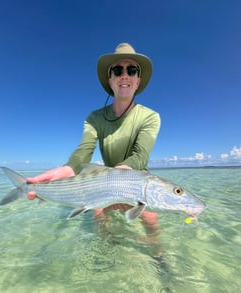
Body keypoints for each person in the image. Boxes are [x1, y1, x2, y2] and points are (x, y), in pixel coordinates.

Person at [27, 43, 161, 255]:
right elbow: (84, 150)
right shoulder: (94, 118)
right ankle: (104, 255)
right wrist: (69, 169)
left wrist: (123, 177)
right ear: (110, 80)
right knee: (97, 216)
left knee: (151, 219)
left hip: (136, 180)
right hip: (104, 183)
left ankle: (158, 255)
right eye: (118, 70)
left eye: (131, 70)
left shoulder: (151, 117)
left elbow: (140, 154)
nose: (124, 75)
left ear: (138, 81)